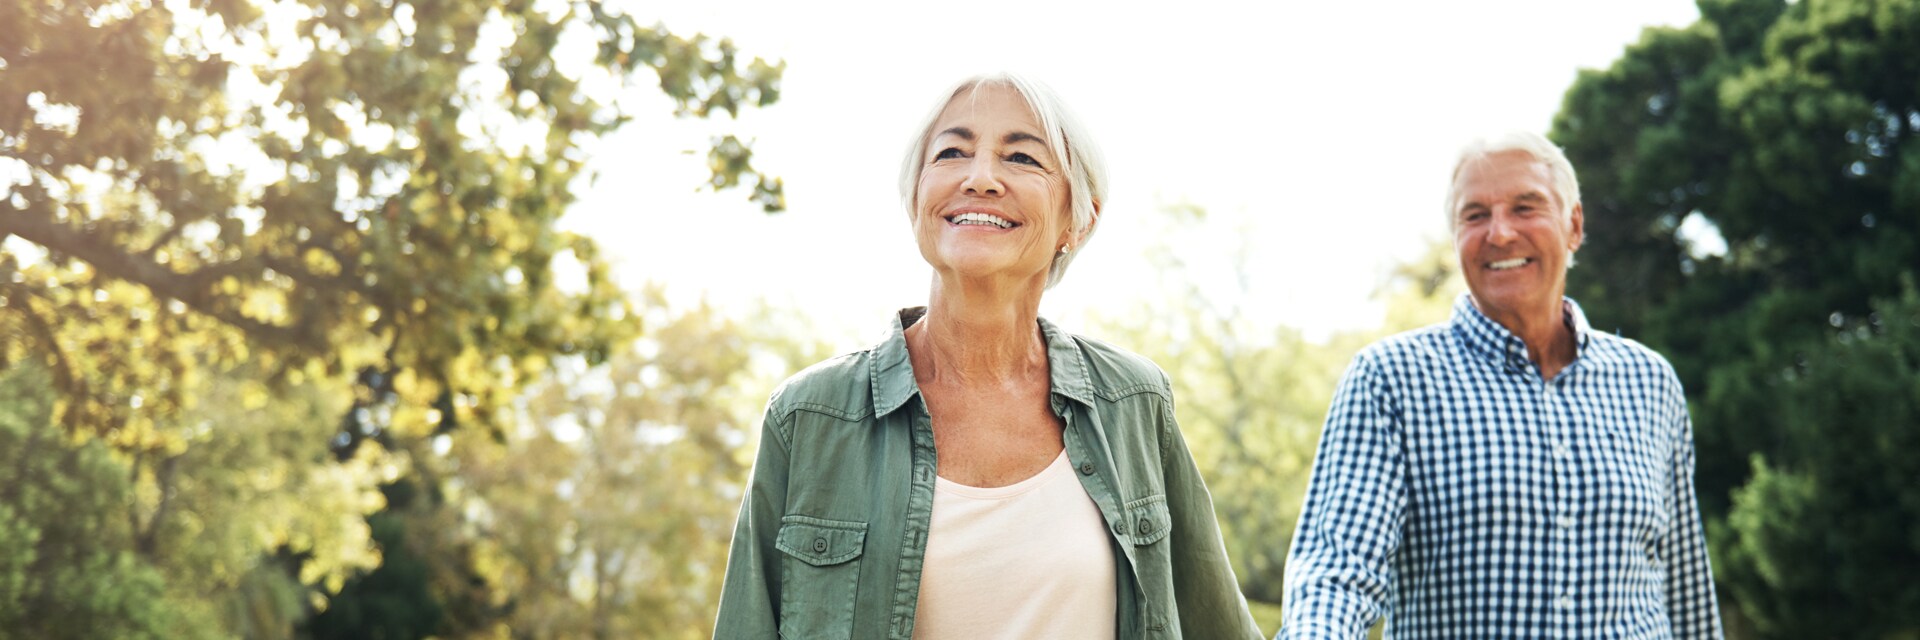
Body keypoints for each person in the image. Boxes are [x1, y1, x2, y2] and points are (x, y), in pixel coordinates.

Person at [713, 74, 1261, 639]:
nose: (980, 178)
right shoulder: (811, 416)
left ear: (1080, 219)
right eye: (952, 152)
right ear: (917, 199)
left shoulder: (1134, 403)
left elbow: (1217, 626)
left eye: (1021, 157)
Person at [1278, 132, 1723, 639]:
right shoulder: (1391, 379)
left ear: (1573, 225)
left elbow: (1687, 593)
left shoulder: (1650, 382)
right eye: (1475, 215)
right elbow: (1337, 568)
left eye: (1525, 206)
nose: (1501, 233)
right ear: (1455, 239)